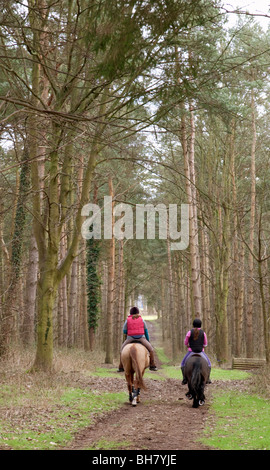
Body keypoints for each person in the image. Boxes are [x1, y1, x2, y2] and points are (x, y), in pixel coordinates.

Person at [117, 306, 158, 372]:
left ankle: (121, 366)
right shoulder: (142, 320)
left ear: (131, 313)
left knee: (122, 350)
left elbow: (124, 331)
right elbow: (146, 332)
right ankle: (152, 365)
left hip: (130, 338)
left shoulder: (127, 320)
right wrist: (148, 340)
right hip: (141, 338)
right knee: (151, 349)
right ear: (138, 313)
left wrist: (129, 333)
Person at [181, 318, 211, 384]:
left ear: (193, 325)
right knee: (209, 364)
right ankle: (208, 378)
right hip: (201, 352)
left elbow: (186, 342)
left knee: (183, 364)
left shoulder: (189, 332)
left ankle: (184, 379)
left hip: (191, 351)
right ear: (200, 325)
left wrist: (188, 345)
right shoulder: (203, 333)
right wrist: (202, 346)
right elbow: (205, 344)